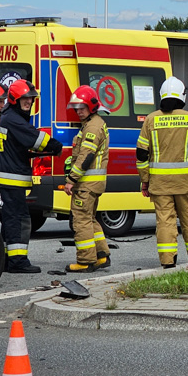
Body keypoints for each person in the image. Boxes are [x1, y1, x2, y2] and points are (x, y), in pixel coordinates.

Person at [136, 76, 188, 268]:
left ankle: (168, 260)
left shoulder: (151, 120)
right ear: (182, 96)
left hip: (159, 185)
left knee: (165, 222)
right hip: (185, 183)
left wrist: (145, 180)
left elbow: (141, 154)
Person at [0, 80, 62, 273]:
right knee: (19, 219)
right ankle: (18, 262)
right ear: (15, 99)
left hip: (9, 177)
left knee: (10, 218)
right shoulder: (13, 119)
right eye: (25, 98)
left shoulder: (7, 116)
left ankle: (7, 258)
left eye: (31, 99)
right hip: (12, 178)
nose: (29, 102)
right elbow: (35, 138)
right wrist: (55, 145)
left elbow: (18, 146)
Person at [63, 85, 111, 272]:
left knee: (81, 219)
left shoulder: (92, 126)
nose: (78, 111)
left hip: (87, 183)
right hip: (93, 183)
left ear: (91, 106)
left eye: (81, 108)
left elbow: (86, 156)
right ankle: (101, 256)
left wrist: (71, 179)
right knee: (89, 219)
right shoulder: (94, 122)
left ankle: (85, 261)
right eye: (76, 108)